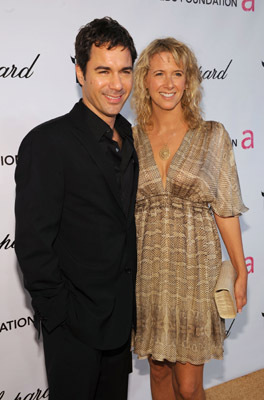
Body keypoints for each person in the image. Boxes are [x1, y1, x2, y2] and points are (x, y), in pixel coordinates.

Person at [15, 17, 138, 400]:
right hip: (73, 327)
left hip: (119, 321)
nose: (116, 84)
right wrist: (59, 316)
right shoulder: (47, 142)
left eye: (125, 71)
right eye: (103, 70)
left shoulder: (130, 136)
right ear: (80, 73)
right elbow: (34, 243)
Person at [131, 37, 248, 400]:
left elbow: (225, 209)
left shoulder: (212, 135)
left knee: (189, 385)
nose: (168, 83)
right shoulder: (129, 138)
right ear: (145, 81)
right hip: (147, 270)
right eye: (159, 73)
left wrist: (241, 272)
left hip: (196, 270)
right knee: (160, 373)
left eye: (177, 74)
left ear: (189, 80)